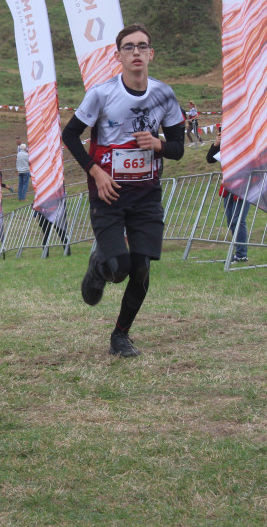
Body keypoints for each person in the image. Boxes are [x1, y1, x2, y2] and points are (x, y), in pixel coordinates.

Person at [61, 24, 185, 358]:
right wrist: (95, 171)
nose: (136, 53)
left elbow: (177, 148)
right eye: (128, 47)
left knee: (142, 267)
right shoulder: (101, 94)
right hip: (109, 193)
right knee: (119, 267)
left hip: (146, 194)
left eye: (142, 46)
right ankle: (98, 267)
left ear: (151, 54)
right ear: (118, 56)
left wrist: (158, 143)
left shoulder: (164, 95)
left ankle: (121, 335)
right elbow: (69, 135)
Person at [206, 124, 249, 262]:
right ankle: (238, 253)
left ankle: (242, 254)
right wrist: (216, 143)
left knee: (238, 220)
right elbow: (210, 159)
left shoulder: (244, 142)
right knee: (231, 220)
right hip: (228, 185)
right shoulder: (224, 145)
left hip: (243, 184)